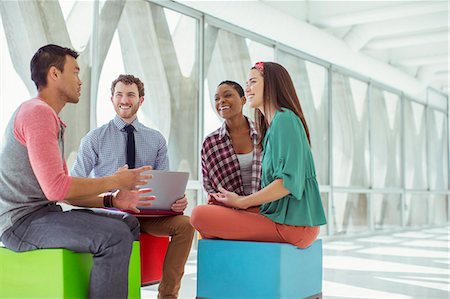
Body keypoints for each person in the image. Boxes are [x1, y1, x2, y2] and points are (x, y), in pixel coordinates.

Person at [0, 44, 154, 298]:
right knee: (114, 236)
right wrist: (115, 180)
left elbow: (65, 193)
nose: (80, 81)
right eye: (75, 72)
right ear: (54, 74)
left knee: (127, 223)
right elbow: (57, 188)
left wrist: (113, 199)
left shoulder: (48, 117)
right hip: (20, 223)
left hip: (43, 214)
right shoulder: (37, 113)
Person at [71, 74, 194, 299]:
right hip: (111, 212)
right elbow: (75, 181)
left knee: (186, 225)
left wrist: (176, 201)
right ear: (112, 99)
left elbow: (165, 182)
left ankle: (167, 295)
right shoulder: (94, 138)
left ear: (141, 100)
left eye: (130, 95)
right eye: (119, 94)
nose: (124, 100)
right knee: (123, 226)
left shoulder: (156, 140)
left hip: (147, 214)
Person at [191, 62, 327, 249]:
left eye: (253, 82)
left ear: (271, 84)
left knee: (199, 216)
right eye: (247, 83)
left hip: (294, 225)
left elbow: (287, 184)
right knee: (211, 212)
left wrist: (241, 202)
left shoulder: (285, 119)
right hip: (279, 216)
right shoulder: (271, 128)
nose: (248, 88)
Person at [201, 80, 262, 205]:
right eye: (217, 99)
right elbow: (209, 186)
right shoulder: (210, 143)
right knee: (199, 214)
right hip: (229, 208)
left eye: (227, 95)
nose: (221, 101)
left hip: (265, 207)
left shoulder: (264, 133)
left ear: (243, 100)